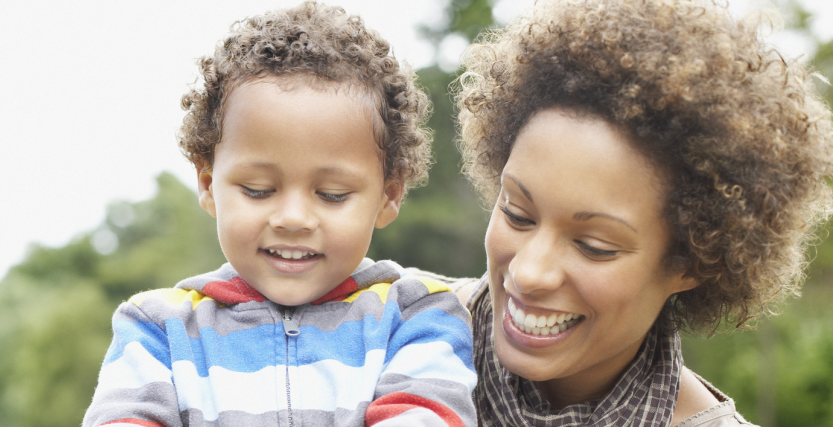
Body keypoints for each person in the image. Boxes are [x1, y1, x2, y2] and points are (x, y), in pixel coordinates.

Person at [82, 3, 477, 426]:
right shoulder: (158, 330)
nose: (292, 218)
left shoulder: (417, 317)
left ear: (390, 195)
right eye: (259, 190)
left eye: (331, 194)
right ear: (208, 183)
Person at [449, 0, 833, 425]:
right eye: (518, 214)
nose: (528, 273)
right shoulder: (386, 330)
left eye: (593, 246)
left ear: (690, 262)